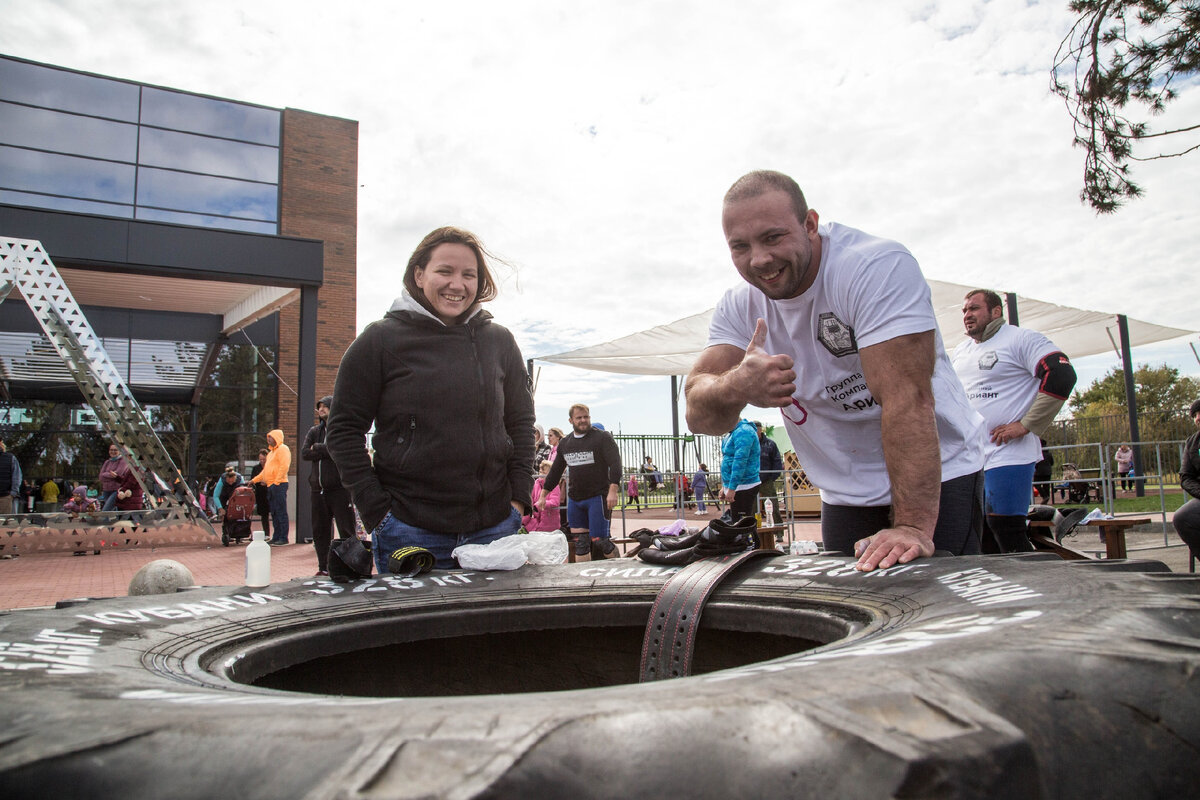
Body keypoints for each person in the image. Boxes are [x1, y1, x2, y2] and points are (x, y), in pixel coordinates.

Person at [686, 169, 986, 572]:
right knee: (854, 618)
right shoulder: (739, 304)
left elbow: (907, 400)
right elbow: (698, 414)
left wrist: (913, 527)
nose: (759, 259)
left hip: (938, 478)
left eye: (773, 237)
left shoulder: (873, 267)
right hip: (844, 494)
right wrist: (737, 383)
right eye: (740, 246)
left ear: (810, 224)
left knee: (941, 620)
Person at [327, 226, 535, 572]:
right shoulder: (379, 340)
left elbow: (521, 424)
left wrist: (518, 500)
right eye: (445, 271)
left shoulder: (500, 342)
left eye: (469, 275)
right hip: (409, 531)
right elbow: (343, 431)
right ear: (419, 275)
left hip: (496, 528)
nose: (458, 284)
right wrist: (377, 511)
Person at [951, 289, 1076, 553]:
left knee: (1006, 529)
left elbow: (1062, 373)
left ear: (996, 311)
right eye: (964, 311)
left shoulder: (1021, 339)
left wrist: (1026, 424)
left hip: (1008, 453)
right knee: (979, 533)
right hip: (972, 456)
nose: (967, 315)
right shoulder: (960, 351)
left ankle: (1038, 589)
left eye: (974, 309)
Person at [542, 404, 622, 561]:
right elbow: (556, 470)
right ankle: (583, 582)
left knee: (601, 542)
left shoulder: (602, 437)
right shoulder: (565, 443)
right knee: (580, 543)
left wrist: (613, 489)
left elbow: (615, 463)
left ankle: (621, 567)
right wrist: (543, 494)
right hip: (576, 499)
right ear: (571, 420)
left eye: (586, 417)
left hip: (597, 497)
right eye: (579, 418)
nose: (583, 420)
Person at [302, 395, 356, 576]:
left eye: (325, 406)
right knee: (320, 531)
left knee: (346, 529)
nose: (321, 409)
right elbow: (304, 453)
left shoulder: (340, 430)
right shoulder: (313, 431)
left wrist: (317, 448)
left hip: (340, 489)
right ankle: (323, 567)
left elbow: (339, 451)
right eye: (320, 407)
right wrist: (324, 448)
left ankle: (352, 565)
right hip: (318, 490)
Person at [250, 430, 291, 546]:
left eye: (271, 437)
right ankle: (276, 536)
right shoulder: (271, 453)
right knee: (274, 512)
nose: (268, 439)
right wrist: (253, 480)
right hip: (271, 485)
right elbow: (265, 472)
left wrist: (277, 482)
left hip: (279, 485)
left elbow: (284, 466)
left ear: (277, 438)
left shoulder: (283, 449)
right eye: (268, 437)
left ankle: (283, 537)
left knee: (280, 511)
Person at [1172, 399, 1200, 558]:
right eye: (1195, 415)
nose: (1197, 418)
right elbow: (1186, 477)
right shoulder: (1193, 443)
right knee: (1182, 517)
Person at [720, 419, 761, 522]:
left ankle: (746, 538)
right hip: (737, 485)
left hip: (744, 485)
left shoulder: (744, 432)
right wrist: (725, 486)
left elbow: (740, 461)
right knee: (737, 522)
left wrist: (732, 487)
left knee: (741, 524)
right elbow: (728, 459)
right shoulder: (732, 433)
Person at [523, 461, 563, 532]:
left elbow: (555, 501)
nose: (540, 474)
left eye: (543, 473)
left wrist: (539, 504)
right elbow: (530, 500)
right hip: (536, 522)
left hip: (549, 522)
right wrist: (524, 520)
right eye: (540, 472)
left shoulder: (555, 486)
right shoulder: (536, 483)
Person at [755, 421, 784, 516]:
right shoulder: (747, 444)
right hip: (751, 480)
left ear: (760, 430)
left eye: (756, 429)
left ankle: (778, 529)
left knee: (773, 506)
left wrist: (772, 477)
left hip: (766, 479)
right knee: (751, 508)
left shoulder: (770, 444)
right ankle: (751, 530)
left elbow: (777, 461)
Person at [97, 442, 128, 511]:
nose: (113, 452)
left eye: (115, 450)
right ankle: (110, 522)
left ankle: (105, 521)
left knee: (106, 511)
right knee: (111, 512)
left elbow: (118, 473)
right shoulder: (107, 462)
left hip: (116, 490)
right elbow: (100, 477)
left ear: (119, 451)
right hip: (106, 490)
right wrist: (110, 475)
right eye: (111, 450)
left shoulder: (123, 461)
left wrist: (105, 474)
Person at [250, 448, 271, 539]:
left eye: (264, 459)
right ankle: (266, 533)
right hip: (261, 494)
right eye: (260, 459)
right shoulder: (256, 468)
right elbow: (253, 479)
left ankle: (274, 533)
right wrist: (259, 482)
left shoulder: (271, 467)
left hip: (270, 492)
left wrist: (267, 483)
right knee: (264, 515)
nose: (262, 461)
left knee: (274, 512)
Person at [0, 438, 21, 514]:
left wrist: (12, 494)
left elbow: (16, 476)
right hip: (5, 497)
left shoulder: (10, 458)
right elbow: (17, 477)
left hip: (5, 497)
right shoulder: (10, 458)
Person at [1033, 438, 1055, 504]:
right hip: (1048, 472)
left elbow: (1036, 463)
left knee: (1036, 484)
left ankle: (1044, 496)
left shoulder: (1038, 453)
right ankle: (1046, 498)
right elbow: (1052, 463)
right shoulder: (1049, 454)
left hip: (1039, 472)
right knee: (1046, 486)